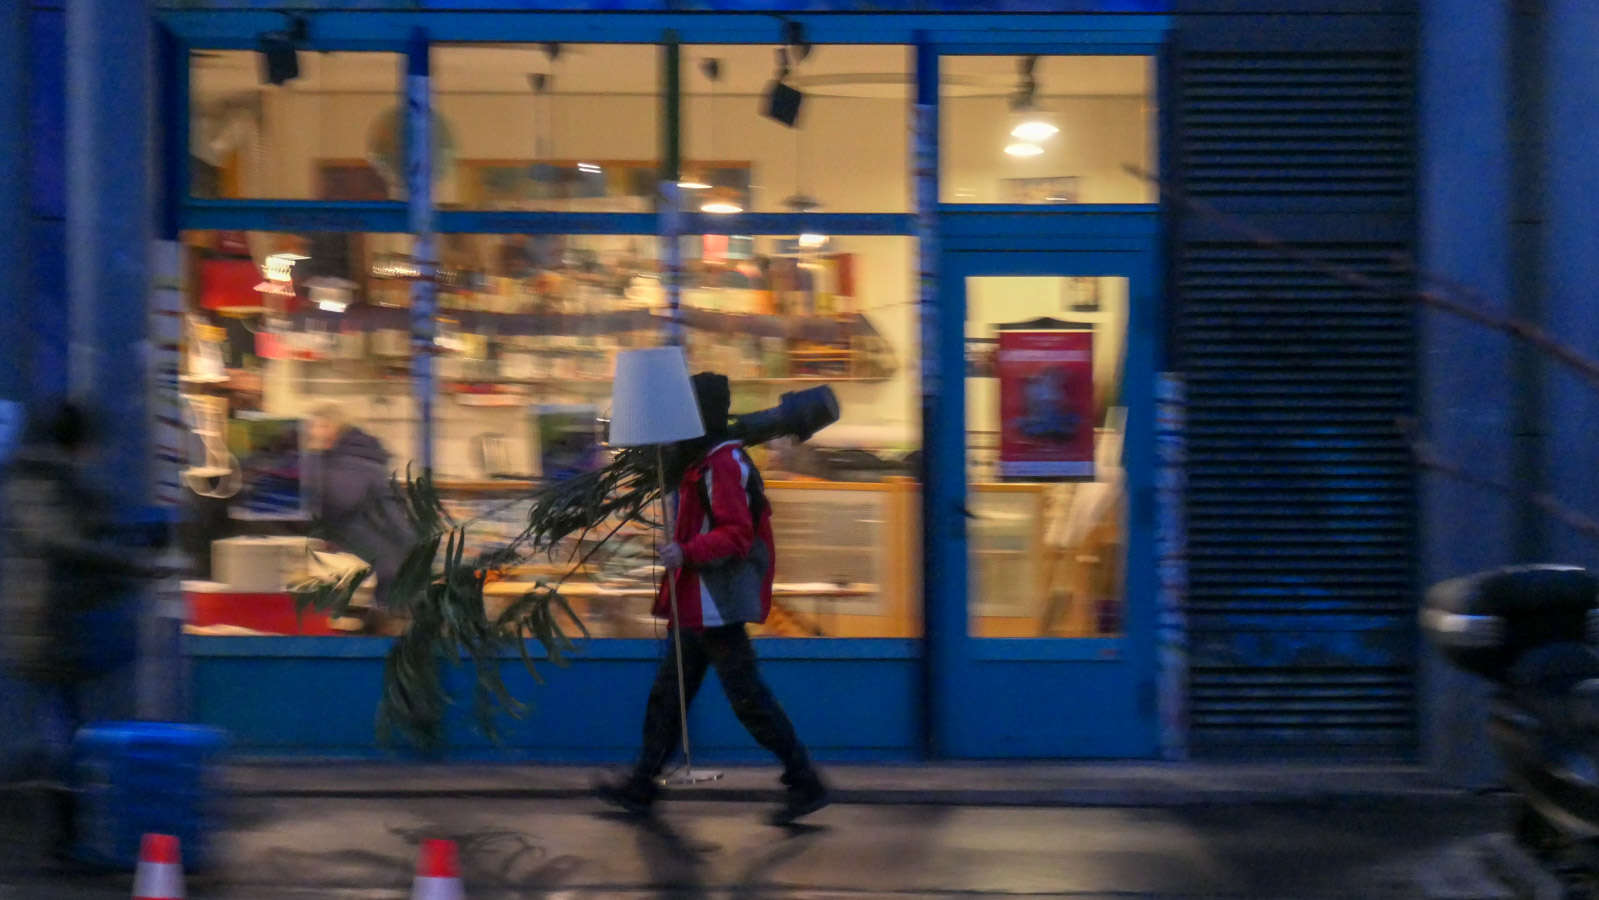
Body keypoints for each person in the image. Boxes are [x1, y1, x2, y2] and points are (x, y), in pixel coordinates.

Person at [597, 372, 830, 825]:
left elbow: (737, 535)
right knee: (671, 696)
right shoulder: (706, 460)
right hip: (699, 603)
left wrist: (685, 552)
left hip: (714, 605)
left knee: (745, 698)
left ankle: (806, 781)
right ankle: (642, 785)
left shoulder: (722, 464)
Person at [1, 401, 168, 861]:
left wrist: (131, 539)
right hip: (45, 628)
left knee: (66, 725)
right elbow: (64, 543)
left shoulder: (55, 481)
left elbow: (89, 528)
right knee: (62, 729)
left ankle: (72, 832)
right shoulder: (37, 483)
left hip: (60, 626)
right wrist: (130, 562)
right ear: (76, 444)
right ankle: (64, 836)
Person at [304, 402, 415, 612]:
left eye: (315, 426)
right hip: (384, 549)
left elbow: (341, 499)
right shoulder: (355, 454)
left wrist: (309, 461)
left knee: (381, 616)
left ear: (332, 427)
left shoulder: (352, 458)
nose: (310, 433)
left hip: (381, 553)